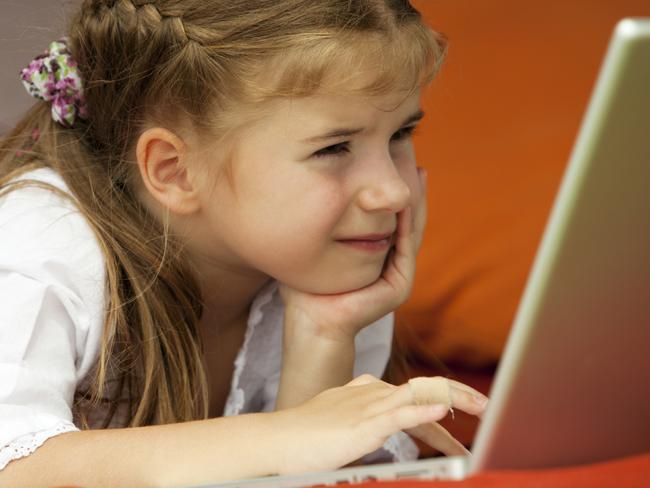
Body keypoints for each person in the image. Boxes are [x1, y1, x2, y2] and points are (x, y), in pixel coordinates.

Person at [0, 1, 489, 486]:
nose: (395, 191)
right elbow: (15, 468)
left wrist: (324, 334)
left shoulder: (321, 268)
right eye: (333, 147)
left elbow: (302, 474)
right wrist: (288, 432)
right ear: (176, 170)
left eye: (402, 132)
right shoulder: (43, 244)